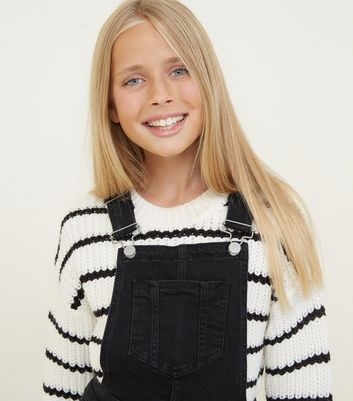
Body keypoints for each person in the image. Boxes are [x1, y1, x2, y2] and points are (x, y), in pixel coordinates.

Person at [41, 0, 333, 400]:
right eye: (133, 80)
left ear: (208, 81)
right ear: (110, 104)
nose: (160, 95)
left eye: (179, 70)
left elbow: (305, 392)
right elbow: (63, 388)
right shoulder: (85, 228)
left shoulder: (273, 222)